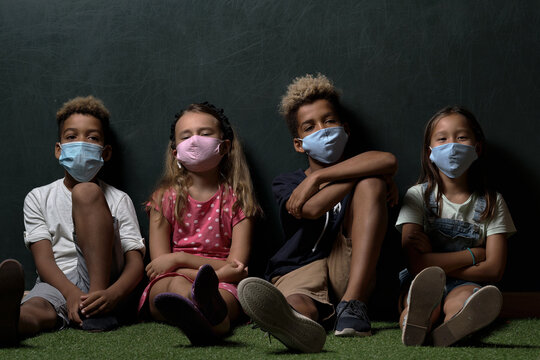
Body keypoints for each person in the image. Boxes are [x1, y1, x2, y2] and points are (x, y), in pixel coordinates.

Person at [238, 74, 398, 353]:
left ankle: (354, 305)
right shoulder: (286, 182)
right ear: (299, 144)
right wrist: (366, 170)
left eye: (329, 121)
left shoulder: (364, 177)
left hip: (349, 269)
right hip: (299, 267)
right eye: (310, 127)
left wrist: (317, 180)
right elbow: (310, 209)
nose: (322, 129)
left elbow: (389, 160)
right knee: (299, 301)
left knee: (370, 184)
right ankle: (294, 321)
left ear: (345, 128)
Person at [0, 96, 145, 347]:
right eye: (71, 137)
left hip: (105, 282)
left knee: (86, 191)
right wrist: (69, 293)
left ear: (105, 151)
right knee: (37, 306)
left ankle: (96, 312)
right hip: (57, 281)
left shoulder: (119, 199)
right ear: (59, 149)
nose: (81, 144)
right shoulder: (38, 197)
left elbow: (135, 259)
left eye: (92, 138)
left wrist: (112, 294)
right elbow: (43, 259)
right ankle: (11, 323)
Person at [138, 102, 259, 345]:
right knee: (173, 285)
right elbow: (160, 267)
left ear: (224, 146)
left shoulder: (238, 201)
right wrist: (215, 271)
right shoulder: (164, 198)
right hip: (180, 279)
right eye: (186, 136)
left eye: (204, 133)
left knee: (226, 297)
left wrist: (180, 259)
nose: (195, 141)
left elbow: (237, 266)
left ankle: (210, 314)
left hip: (222, 283)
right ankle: (197, 310)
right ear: (176, 152)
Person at [396, 106, 516, 347]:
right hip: (421, 282)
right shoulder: (417, 197)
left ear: (477, 148)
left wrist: (434, 260)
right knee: (421, 299)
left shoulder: (492, 202)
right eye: (442, 138)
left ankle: (454, 325)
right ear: (430, 151)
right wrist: (474, 255)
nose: (452, 145)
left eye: (461, 137)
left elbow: (494, 270)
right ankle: (415, 323)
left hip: (466, 283)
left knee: (462, 299)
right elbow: (415, 263)